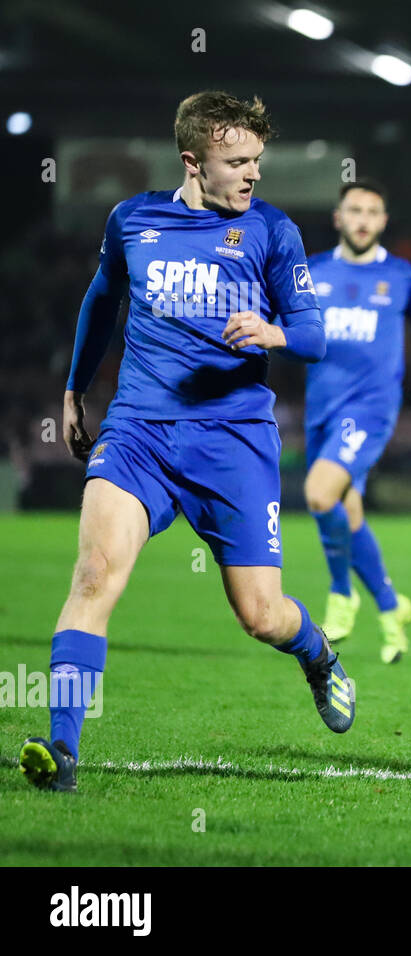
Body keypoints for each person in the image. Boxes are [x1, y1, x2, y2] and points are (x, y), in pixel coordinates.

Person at [19, 90, 354, 794]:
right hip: (138, 431)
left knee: (260, 615)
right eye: (238, 161)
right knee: (92, 576)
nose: (253, 174)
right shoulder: (133, 220)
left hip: (233, 440)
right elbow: (102, 299)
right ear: (193, 162)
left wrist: (275, 334)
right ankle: (62, 751)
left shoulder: (272, 231)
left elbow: (317, 334)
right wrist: (75, 391)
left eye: (257, 160)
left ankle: (317, 652)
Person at [303, 180, 411, 662]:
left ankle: (342, 593)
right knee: (348, 510)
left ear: (383, 221)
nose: (364, 219)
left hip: (370, 408)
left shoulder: (404, 276)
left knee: (319, 495)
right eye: (355, 210)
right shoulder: (312, 271)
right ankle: (391, 608)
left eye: (373, 211)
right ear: (338, 218)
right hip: (321, 407)